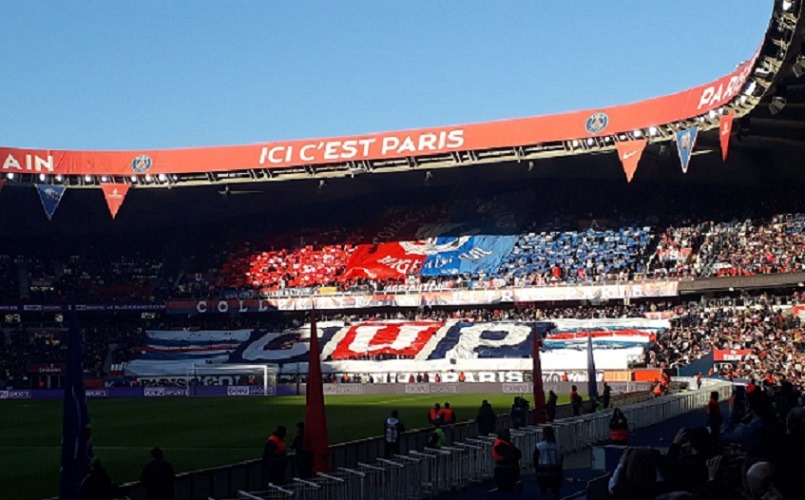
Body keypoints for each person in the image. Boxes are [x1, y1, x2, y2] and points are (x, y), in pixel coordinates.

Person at [533, 426, 563, 500]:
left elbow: (535, 459)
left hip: (542, 471)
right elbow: (560, 459)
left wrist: (537, 470)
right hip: (554, 471)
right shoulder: (558, 446)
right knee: (555, 493)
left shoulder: (539, 445)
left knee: (543, 493)